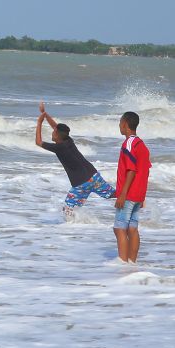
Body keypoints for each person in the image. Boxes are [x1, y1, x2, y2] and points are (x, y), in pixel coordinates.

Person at [35, 102, 115, 219]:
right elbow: (56, 127)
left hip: (80, 184)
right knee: (113, 194)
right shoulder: (68, 140)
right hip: (94, 176)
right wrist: (44, 114)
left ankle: (75, 228)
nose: (52, 132)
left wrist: (39, 122)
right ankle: (138, 200)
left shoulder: (57, 147)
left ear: (57, 135)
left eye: (53, 132)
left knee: (67, 209)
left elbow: (38, 142)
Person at [114, 111, 152, 263]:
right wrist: (142, 196)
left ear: (125, 124)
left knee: (119, 228)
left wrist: (123, 194)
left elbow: (131, 169)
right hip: (138, 194)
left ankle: (122, 264)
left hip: (129, 194)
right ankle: (131, 263)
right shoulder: (142, 145)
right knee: (132, 228)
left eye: (120, 122)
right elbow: (145, 171)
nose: (119, 126)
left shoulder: (129, 143)